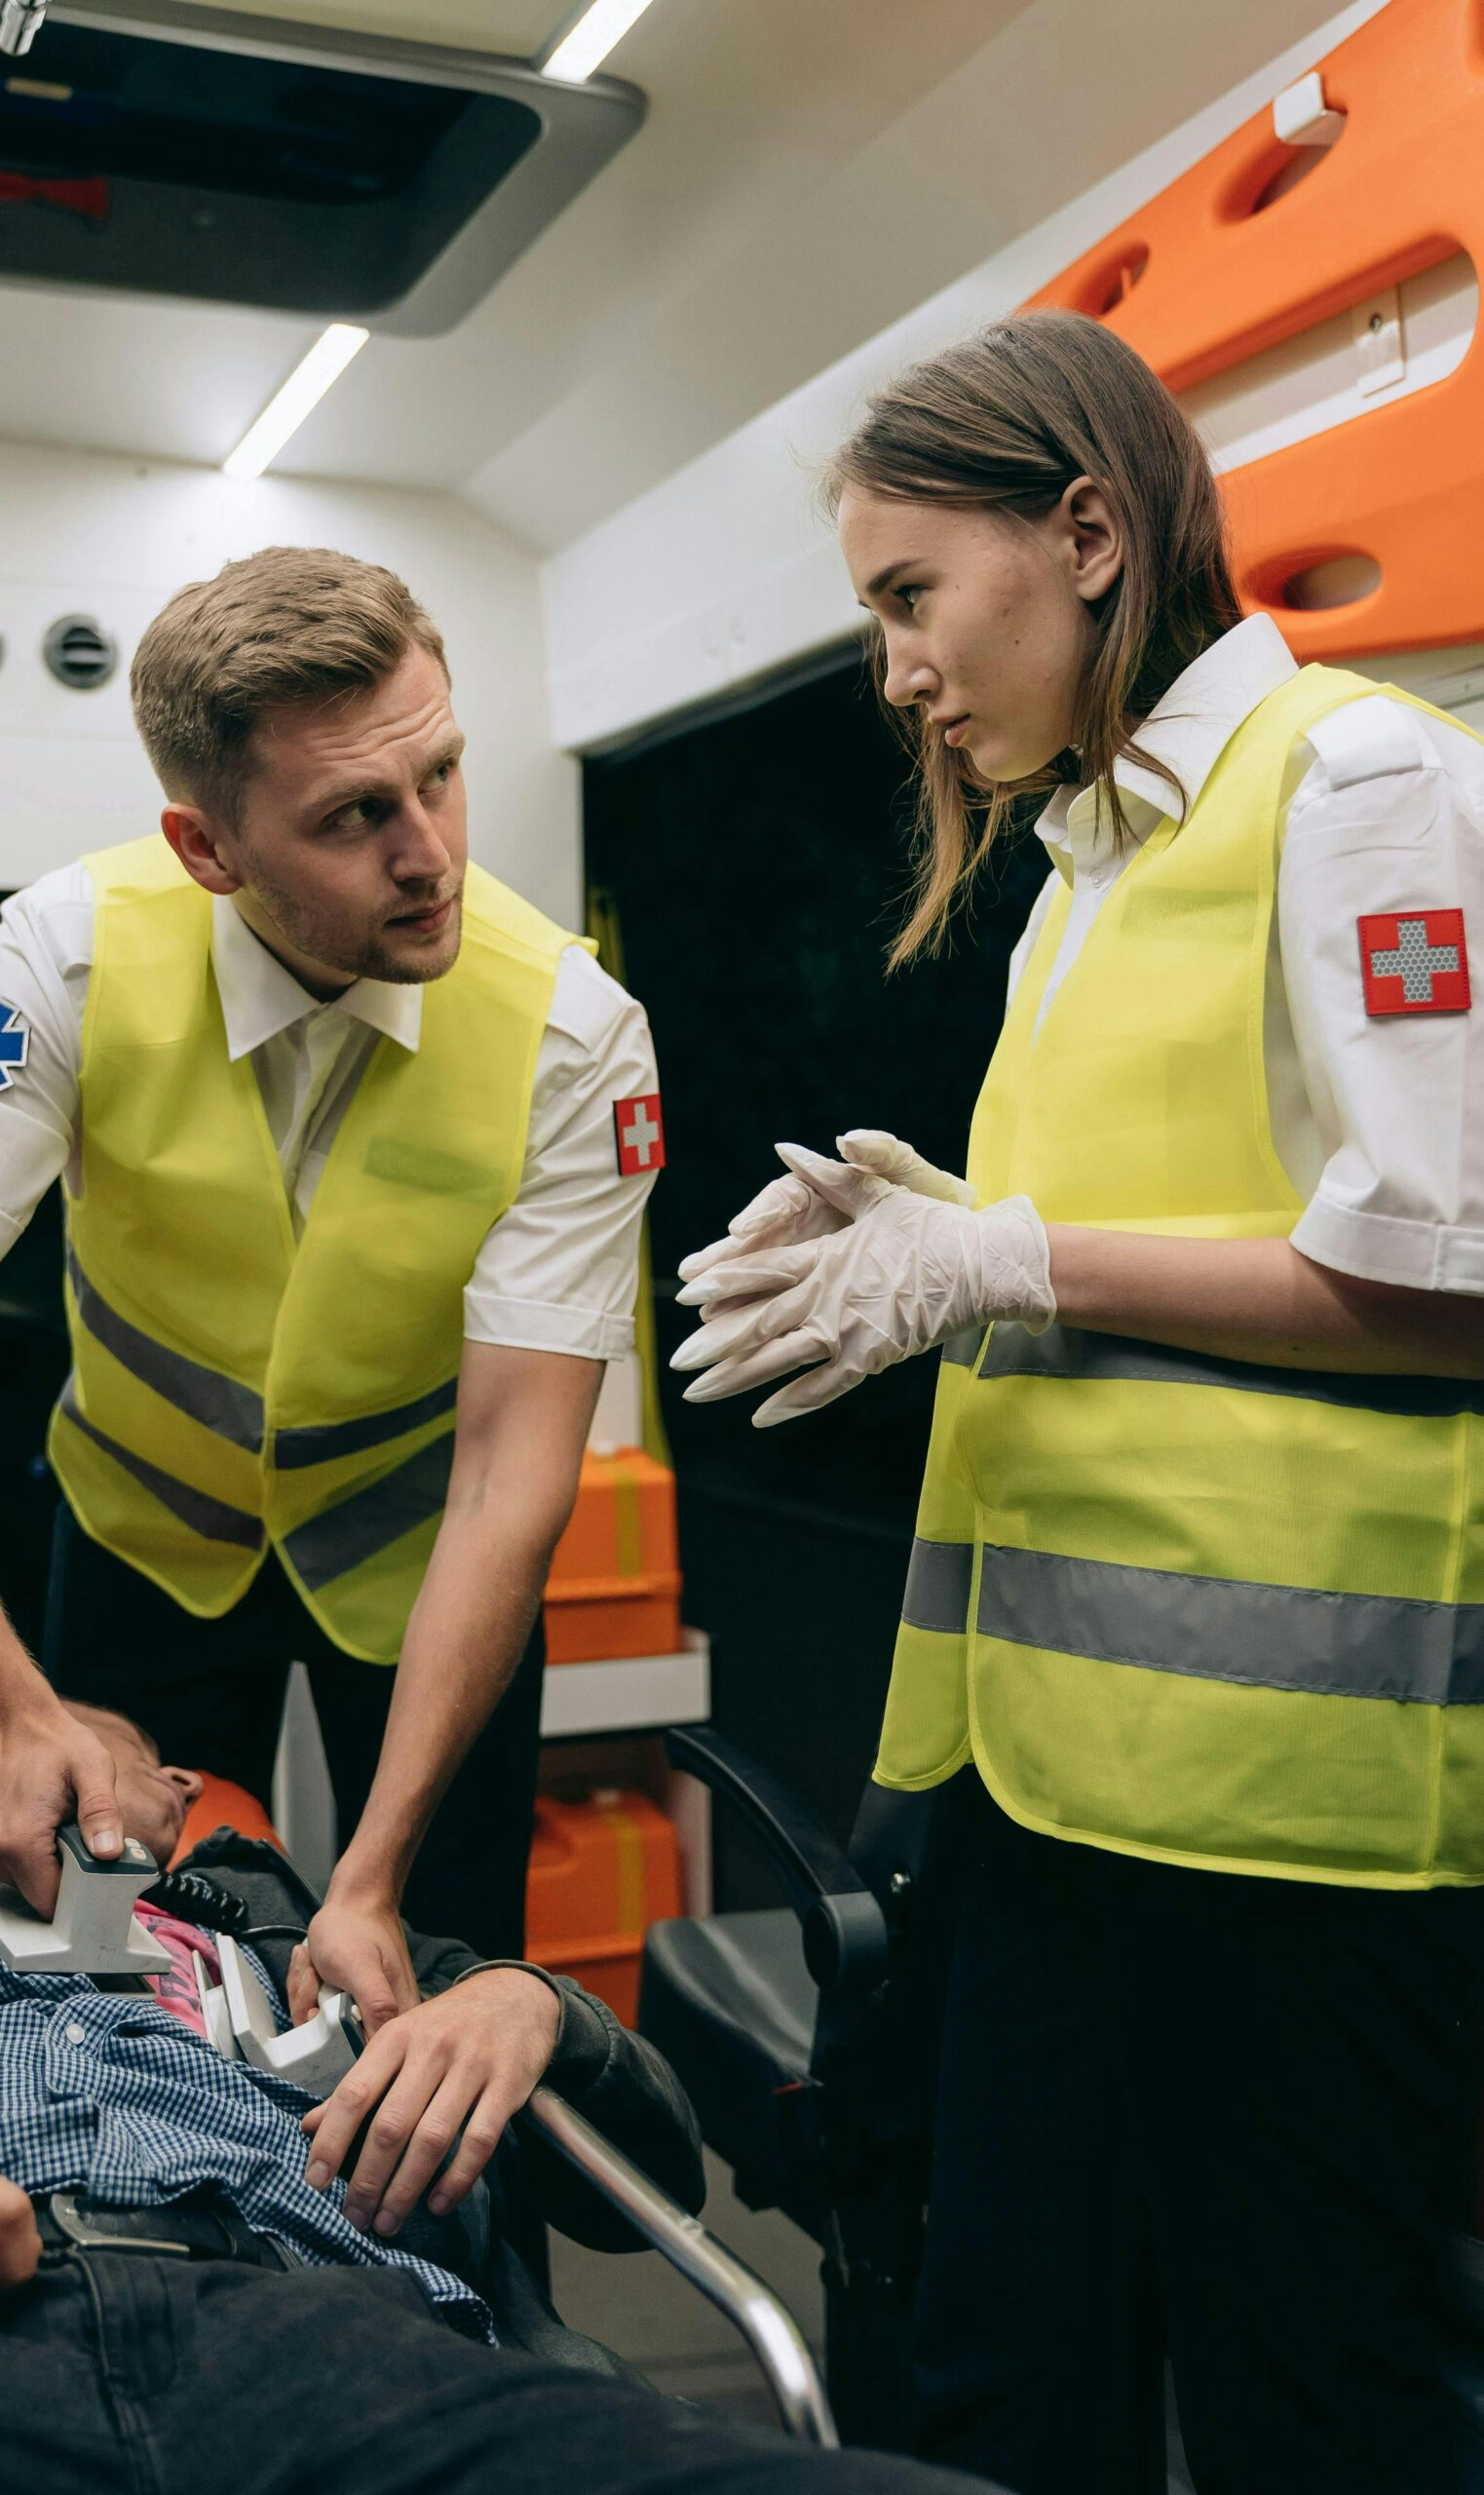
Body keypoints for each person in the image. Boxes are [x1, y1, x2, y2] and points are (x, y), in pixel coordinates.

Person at [671, 310, 1484, 2495]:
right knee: (1004, 2378)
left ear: (1090, 529)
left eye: (908, 597)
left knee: (1317, 2402)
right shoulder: (1075, 874)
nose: (897, 670)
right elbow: (1180, 1225)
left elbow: (1451, 1273)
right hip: (1041, 1790)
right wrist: (923, 1224)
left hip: (1283, 1820)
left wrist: (1011, 1256)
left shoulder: (1359, 781)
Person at [0, 544, 664, 2036]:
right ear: (210, 849)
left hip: (425, 1553)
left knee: (444, 1979)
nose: (431, 854)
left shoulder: (575, 1036)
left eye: (443, 775)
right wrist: (5, 1703)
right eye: (354, 815)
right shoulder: (62, 958)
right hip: (141, 1534)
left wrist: (375, 1872)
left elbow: (509, 1474)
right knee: (97, 1967)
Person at [0, 1705, 988, 2495]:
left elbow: (659, 2176)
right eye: (140, 1752)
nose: (177, 1783)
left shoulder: (302, 1927)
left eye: (180, 1775)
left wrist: (527, 2005)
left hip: (332, 2344)